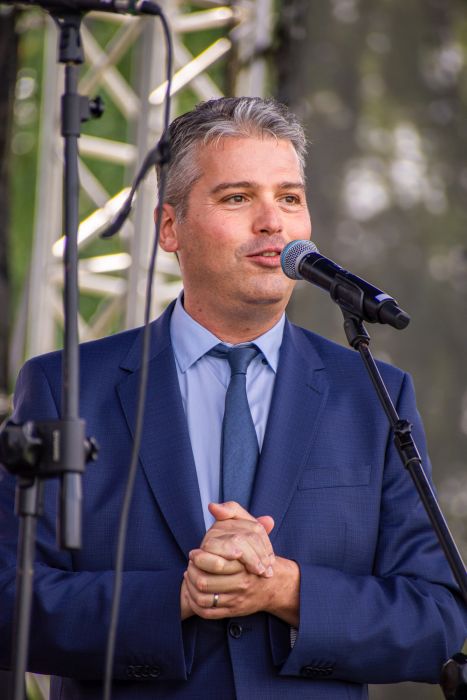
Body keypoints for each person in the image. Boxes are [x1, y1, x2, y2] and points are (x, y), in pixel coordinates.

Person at [0, 96, 465, 700]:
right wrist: (178, 596)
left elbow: (436, 616)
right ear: (170, 227)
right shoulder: (66, 386)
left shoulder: (374, 394)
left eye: (289, 198)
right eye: (238, 197)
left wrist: (286, 589)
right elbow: (10, 599)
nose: (272, 222)